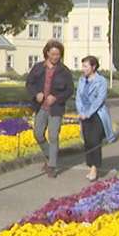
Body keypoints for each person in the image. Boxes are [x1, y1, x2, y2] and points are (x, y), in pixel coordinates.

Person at [25, 40, 74, 178]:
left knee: (53, 136)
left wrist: (57, 98)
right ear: (47, 53)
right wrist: (36, 93)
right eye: (52, 54)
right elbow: (29, 84)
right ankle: (50, 156)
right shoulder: (38, 68)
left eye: (58, 54)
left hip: (55, 109)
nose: (55, 57)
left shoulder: (64, 71)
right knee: (38, 134)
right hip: (40, 107)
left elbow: (70, 90)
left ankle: (52, 165)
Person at [76, 55, 116, 181]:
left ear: (93, 67)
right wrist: (81, 111)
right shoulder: (82, 80)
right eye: (82, 66)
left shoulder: (101, 81)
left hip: (97, 114)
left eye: (86, 66)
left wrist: (89, 113)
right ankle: (90, 165)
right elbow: (78, 97)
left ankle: (95, 167)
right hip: (84, 114)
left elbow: (100, 99)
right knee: (87, 141)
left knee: (95, 140)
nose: (83, 69)